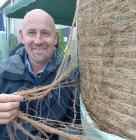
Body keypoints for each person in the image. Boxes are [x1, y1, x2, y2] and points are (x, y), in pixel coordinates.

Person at [0, 9, 80, 140]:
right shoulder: (2, 72)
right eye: (31, 32)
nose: (38, 40)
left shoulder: (69, 76)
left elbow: (76, 122)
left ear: (55, 38)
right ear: (22, 35)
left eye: (45, 33)